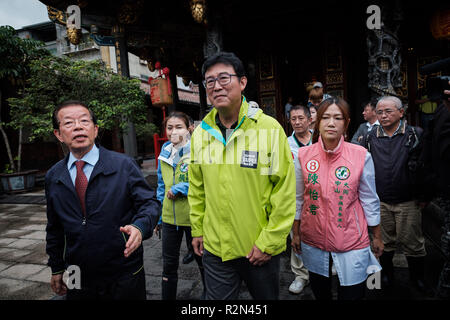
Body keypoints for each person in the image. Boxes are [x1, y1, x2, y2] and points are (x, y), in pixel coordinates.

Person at [188, 51, 296, 300]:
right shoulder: (201, 134)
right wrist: (197, 229)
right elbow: (196, 187)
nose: (216, 86)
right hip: (215, 249)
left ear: (243, 82)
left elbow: (284, 191)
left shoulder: (268, 129)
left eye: (224, 78)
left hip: (257, 249)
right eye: (210, 81)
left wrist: (269, 243)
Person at [45, 100, 160, 300]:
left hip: (123, 267)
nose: (78, 127)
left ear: (95, 130)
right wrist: (56, 268)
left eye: (84, 121)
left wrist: (140, 228)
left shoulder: (123, 165)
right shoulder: (54, 176)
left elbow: (149, 204)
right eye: (69, 123)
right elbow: (55, 227)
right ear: (58, 134)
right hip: (75, 271)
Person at [292, 96, 383, 300]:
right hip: (313, 240)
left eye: (337, 118)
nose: (331, 123)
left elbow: (370, 200)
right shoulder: (303, 156)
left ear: (347, 123)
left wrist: (376, 235)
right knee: (320, 292)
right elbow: (298, 199)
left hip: (351, 239)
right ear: (317, 122)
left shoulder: (361, 155)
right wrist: (296, 232)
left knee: (352, 293)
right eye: (325, 117)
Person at [362, 96, 430, 294]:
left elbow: (426, 167)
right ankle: (385, 277)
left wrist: (424, 196)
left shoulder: (415, 134)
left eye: (388, 111)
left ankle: (418, 280)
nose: (383, 115)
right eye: (380, 112)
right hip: (380, 201)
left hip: (408, 201)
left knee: (413, 243)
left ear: (401, 112)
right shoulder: (369, 136)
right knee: (383, 243)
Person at [156, 111, 205, 299]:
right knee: (168, 265)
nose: (173, 131)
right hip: (169, 218)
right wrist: (159, 216)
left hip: (194, 217)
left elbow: (205, 181)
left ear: (189, 129)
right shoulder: (165, 151)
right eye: (169, 127)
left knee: (202, 261)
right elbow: (161, 184)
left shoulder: (197, 150)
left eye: (179, 127)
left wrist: (180, 188)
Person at [286, 104, 311, 294]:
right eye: (293, 119)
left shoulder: (320, 140)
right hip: (294, 198)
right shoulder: (285, 144)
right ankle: (301, 275)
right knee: (296, 236)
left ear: (309, 119)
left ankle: (322, 268)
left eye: (300, 118)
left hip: (318, 198)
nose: (297, 122)